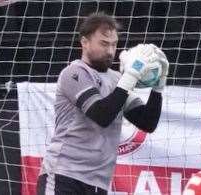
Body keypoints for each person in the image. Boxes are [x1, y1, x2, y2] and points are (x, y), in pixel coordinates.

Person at [37, 12, 169, 195]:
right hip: (64, 175)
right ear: (84, 42)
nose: (110, 51)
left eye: (114, 44)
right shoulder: (74, 73)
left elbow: (148, 122)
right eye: (104, 44)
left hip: (98, 182)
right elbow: (102, 115)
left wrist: (159, 86)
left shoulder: (116, 79)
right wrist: (131, 75)